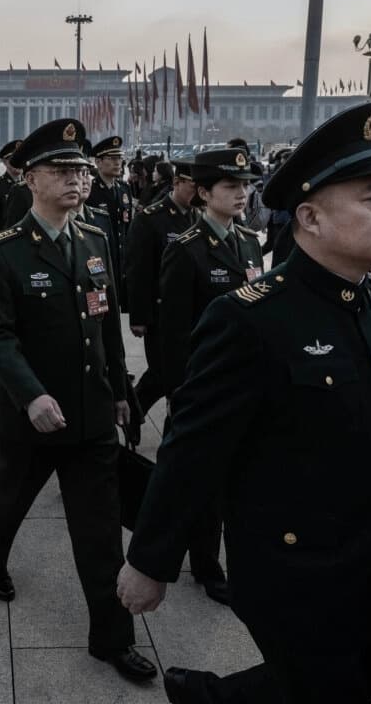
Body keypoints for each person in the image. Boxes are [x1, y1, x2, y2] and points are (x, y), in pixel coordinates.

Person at [118, 103, 371, 703]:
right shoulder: (251, 319)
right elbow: (194, 446)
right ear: (308, 216)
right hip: (296, 571)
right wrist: (150, 560)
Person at [0, 118, 156, 683]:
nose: (76, 179)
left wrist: (123, 394)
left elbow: (105, 330)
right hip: (32, 419)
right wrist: (30, 396)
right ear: (30, 179)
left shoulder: (97, 240)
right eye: (61, 170)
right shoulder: (1, 252)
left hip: (91, 415)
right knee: (8, 499)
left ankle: (111, 638)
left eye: (80, 170)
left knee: (98, 533)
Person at [155, 148, 265, 606]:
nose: (241, 193)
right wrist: (182, 389)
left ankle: (216, 556)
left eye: (245, 185)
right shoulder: (186, 250)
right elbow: (173, 334)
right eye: (230, 186)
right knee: (199, 480)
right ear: (203, 193)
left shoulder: (251, 242)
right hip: (203, 384)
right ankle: (203, 564)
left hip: (245, 383)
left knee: (232, 478)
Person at [125, 159, 197, 416]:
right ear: (177, 183)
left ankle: (135, 411)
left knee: (174, 374)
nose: (199, 192)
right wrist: (139, 317)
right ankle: (133, 412)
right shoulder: (151, 219)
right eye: (193, 186)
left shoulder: (198, 216)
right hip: (160, 312)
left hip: (191, 313)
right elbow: (138, 270)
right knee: (162, 373)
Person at [88, 136, 133, 298]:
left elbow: (128, 226)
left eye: (120, 158)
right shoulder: (90, 191)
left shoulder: (124, 189)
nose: (118, 163)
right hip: (98, 259)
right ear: (98, 162)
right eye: (112, 158)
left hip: (120, 260)